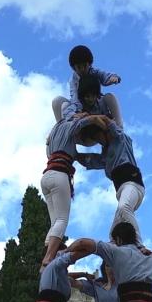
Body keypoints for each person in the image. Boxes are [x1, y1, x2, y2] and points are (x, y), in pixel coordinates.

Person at [42, 114, 107, 266]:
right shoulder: (69, 124)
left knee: (54, 222)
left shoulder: (54, 135)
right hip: (60, 175)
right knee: (62, 220)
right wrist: (99, 119)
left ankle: (47, 252)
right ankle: (49, 257)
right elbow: (86, 122)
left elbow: (77, 156)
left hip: (46, 177)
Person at [76, 117, 144, 246]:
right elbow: (91, 160)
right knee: (113, 233)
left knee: (124, 207)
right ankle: (114, 256)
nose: (98, 140)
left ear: (105, 132)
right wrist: (74, 154)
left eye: (98, 136)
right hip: (121, 190)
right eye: (95, 139)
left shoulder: (120, 139)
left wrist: (97, 118)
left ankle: (140, 245)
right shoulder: (106, 155)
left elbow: (113, 127)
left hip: (133, 184)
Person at [52, 45, 122, 126]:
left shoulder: (94, 72)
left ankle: (119, 126)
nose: (82, 70)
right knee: (58, 102)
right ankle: (62, 128)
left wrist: (113, 78)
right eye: (79, 67)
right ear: (73, 68)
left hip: (96, 106)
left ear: (90, 64)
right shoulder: (73, 80)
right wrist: (75, 114)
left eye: (85, 66)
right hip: (81, 109)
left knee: (110, 96)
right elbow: (75, 98)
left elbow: (104, 77)